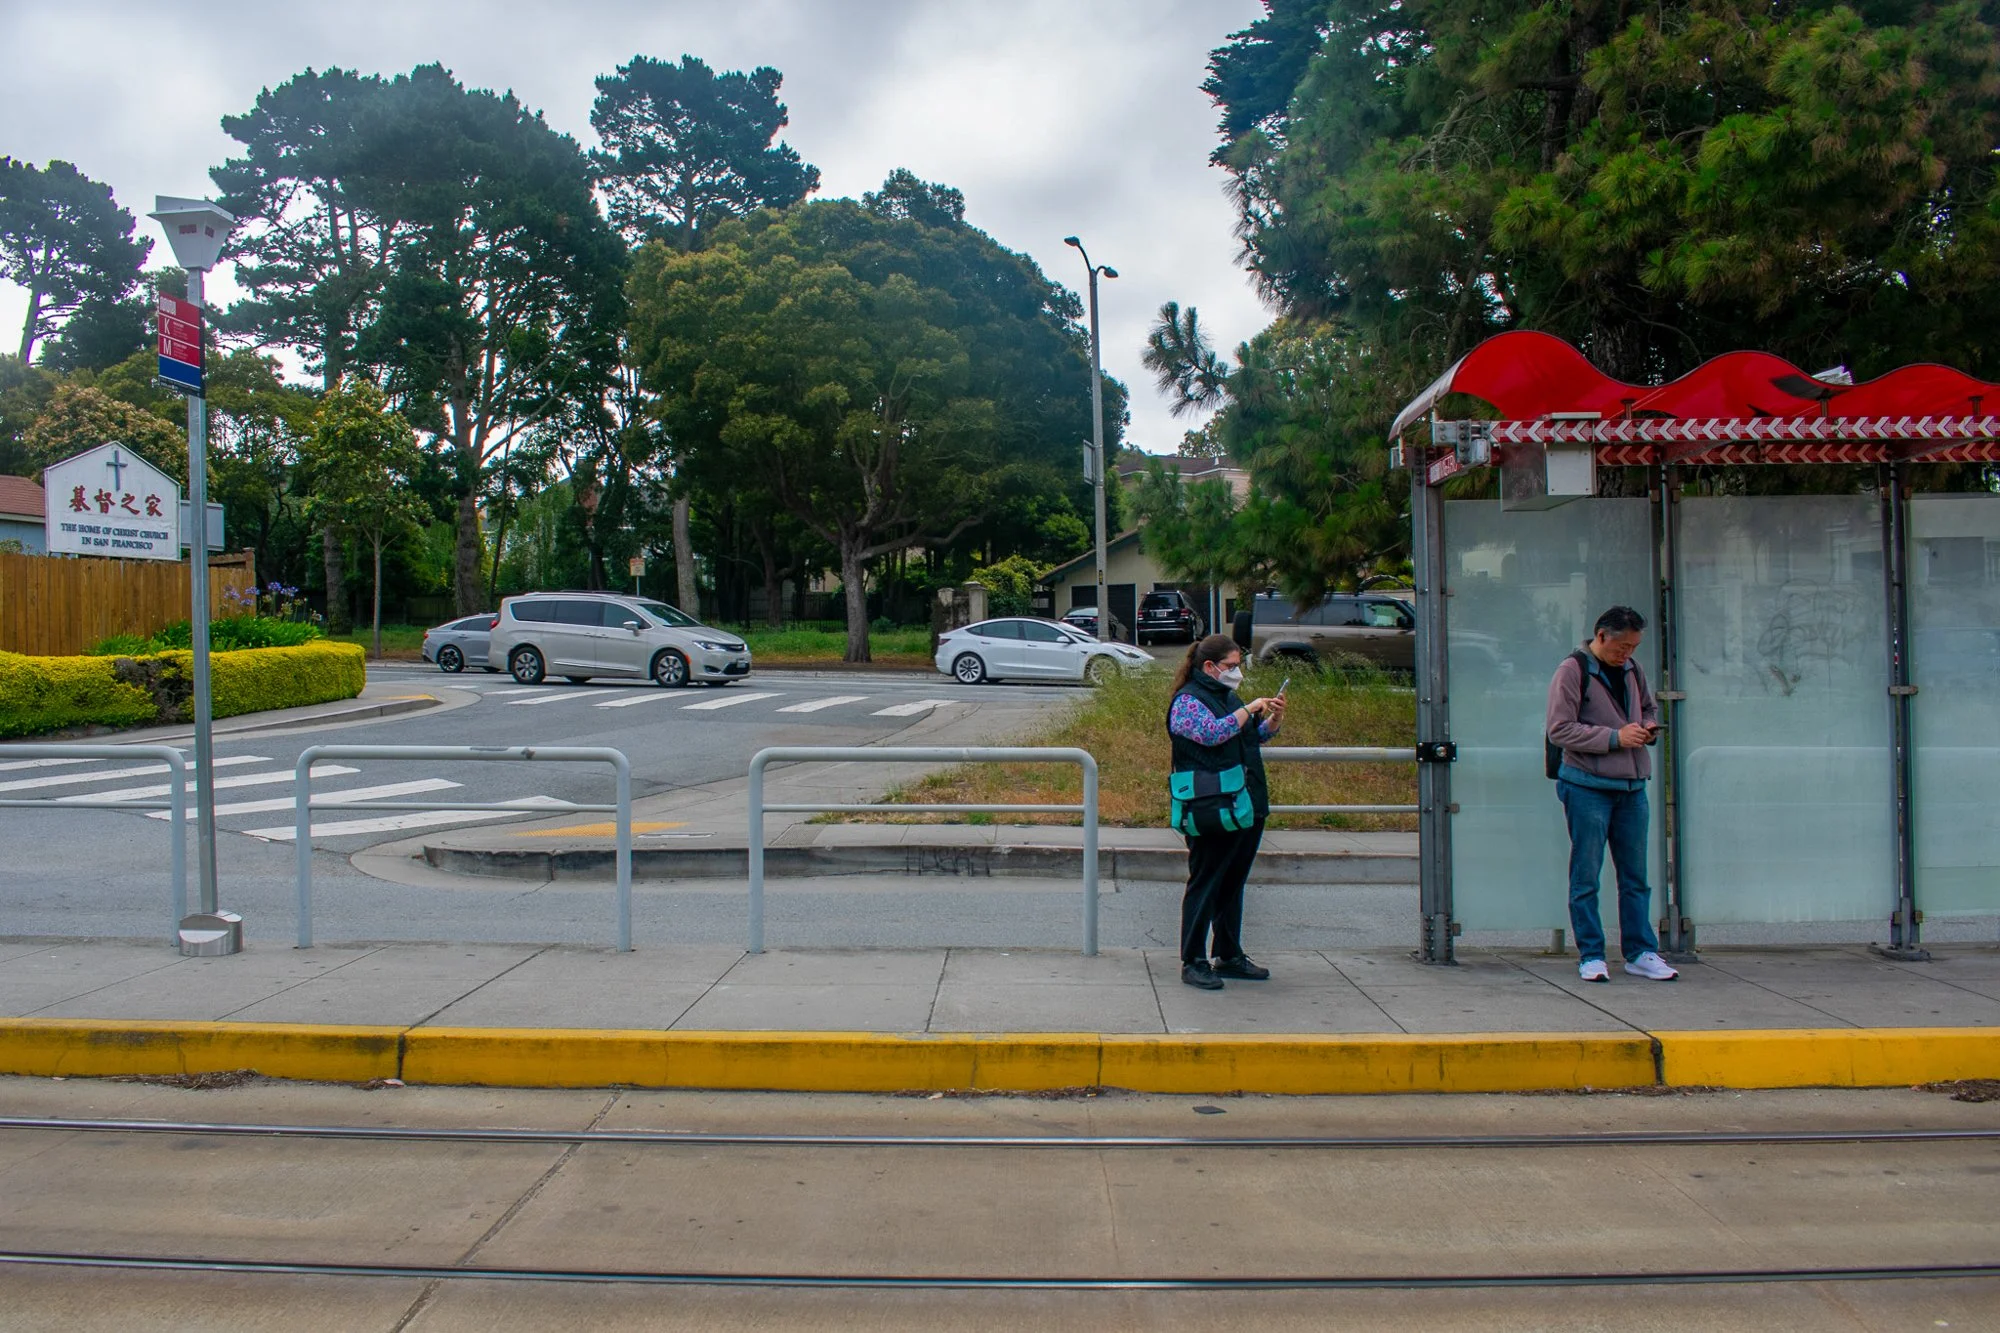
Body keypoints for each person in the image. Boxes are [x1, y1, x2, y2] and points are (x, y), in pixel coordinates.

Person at [1545, 606, 1678, 983]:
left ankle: (1640, 951)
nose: (1627, 654)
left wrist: (1649, 725)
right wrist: (1615, 738)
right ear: (1600, 636)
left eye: (1634, 647)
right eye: (1622, 646)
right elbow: (1560, 729)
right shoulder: (1572, 671)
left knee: (1636, 876)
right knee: (1586, 874)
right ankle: (1591, 954)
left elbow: (1648, 707)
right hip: (1587, 785)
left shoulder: (1634, 670)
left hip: (1632, 787)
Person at [1166, 633, 1285, 990]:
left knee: (1233, 882)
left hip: (1245, 803)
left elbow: (1249, 737)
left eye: (1238, 666)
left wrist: (1272, 722)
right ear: (1209, 667)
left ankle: (1229, 954)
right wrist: (1248, 708)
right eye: (1231, 667)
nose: (1237, 674)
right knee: (1205, 881)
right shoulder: (1187, 701)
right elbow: (1212, 733)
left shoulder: (1226, 695)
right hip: (1210, 807)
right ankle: (1194, 960)